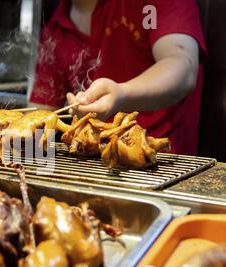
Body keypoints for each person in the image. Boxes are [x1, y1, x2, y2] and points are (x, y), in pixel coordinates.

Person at [29, 0, 206, 155]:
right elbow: (39, 116)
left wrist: (121, 94)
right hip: (91, 168)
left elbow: (182, 65)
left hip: (160, 165)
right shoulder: (56, 27)